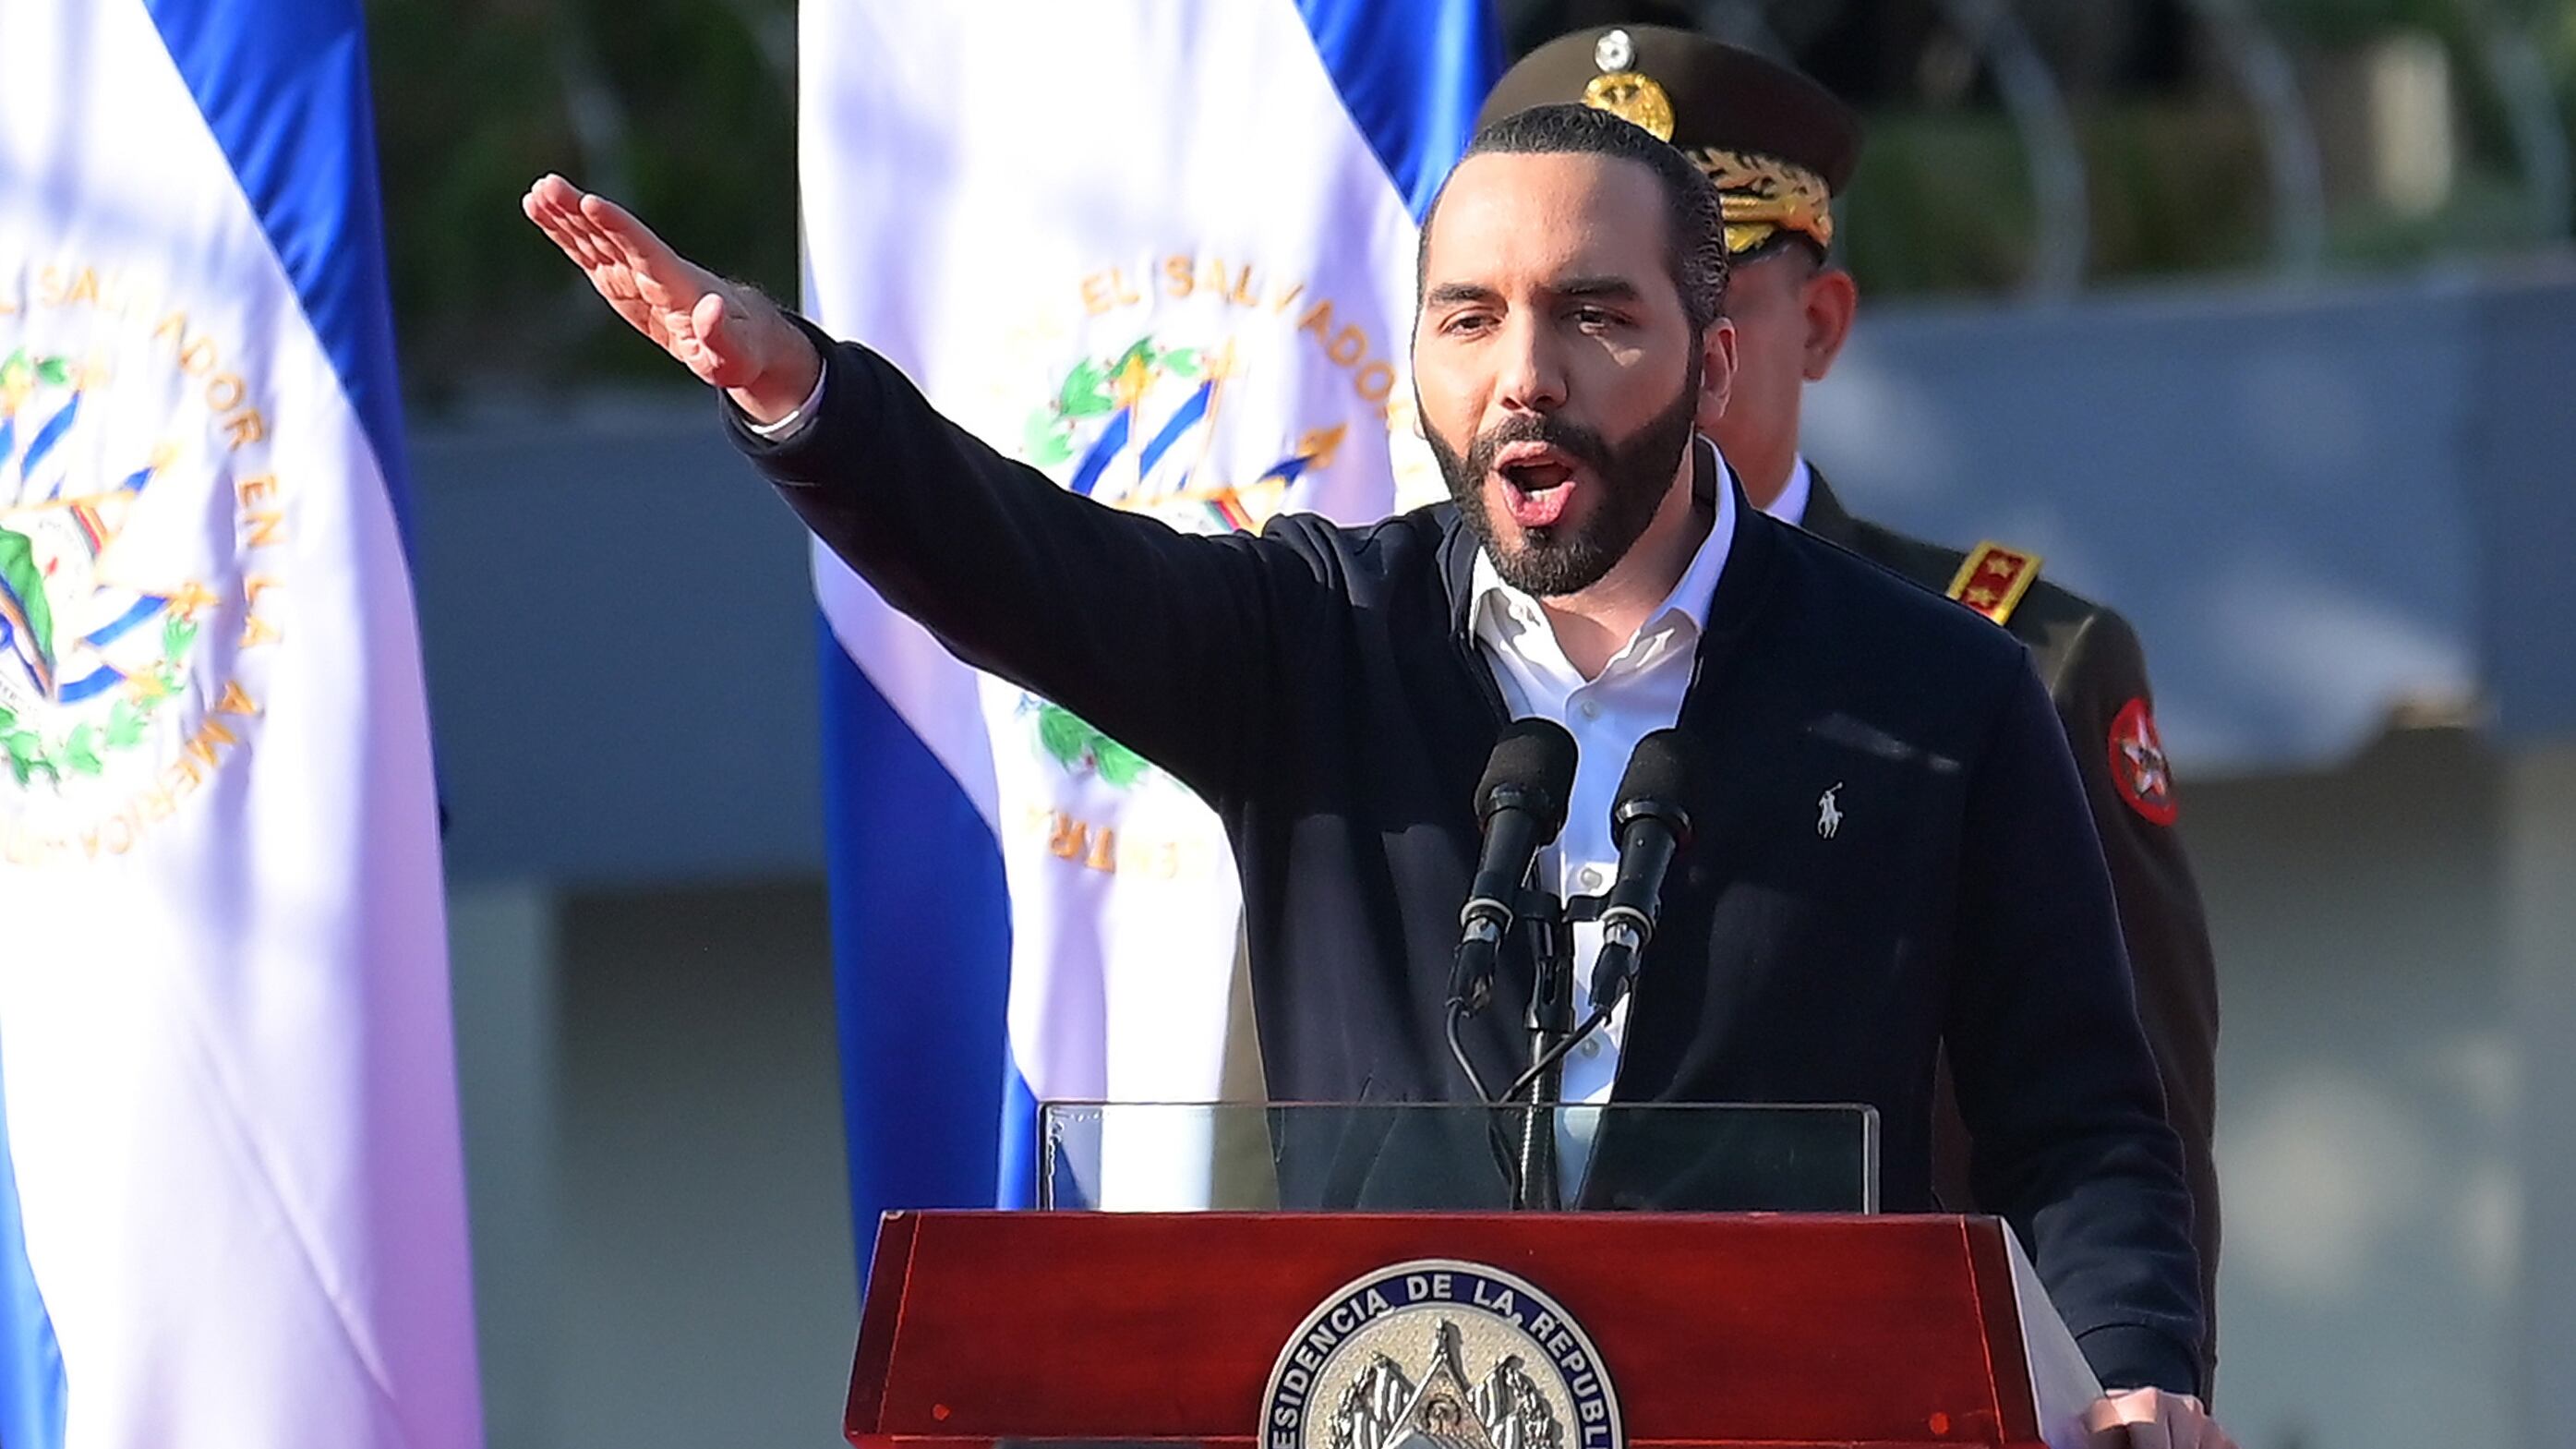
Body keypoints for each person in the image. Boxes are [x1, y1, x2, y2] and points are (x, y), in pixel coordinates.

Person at [524, 99, 2233, 1446]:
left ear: (1712, 363)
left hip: (1783, 1422)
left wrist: (2140, 1372)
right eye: (1468, 319)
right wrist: (803, 400)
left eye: (1591, 317)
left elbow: (2081, 1116)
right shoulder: (1319, 635)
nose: (1523, 380)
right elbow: (1026, 568)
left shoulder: (1938, 686)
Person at [1481, 24, 2225, 1389]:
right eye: (1576, 303)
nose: (1613, 361)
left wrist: (2139, 1389)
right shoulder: (1442, 633)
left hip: (1877, 1391)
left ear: (1811, 325)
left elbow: (2123, 1134)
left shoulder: (2003, 665)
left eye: (1690, 301)